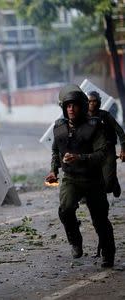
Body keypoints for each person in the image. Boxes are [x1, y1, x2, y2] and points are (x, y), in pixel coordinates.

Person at [45, 84, 115, 268]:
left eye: (75, 105)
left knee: (100, 220)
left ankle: (108, 252)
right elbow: (55, 151)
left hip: (93, 179)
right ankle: (75, 240)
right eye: (67, 105)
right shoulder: (59, 127)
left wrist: (81, 158)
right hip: (71, 178)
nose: (71, 109)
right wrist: (53, 170)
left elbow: (103, 153)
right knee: (65, 209)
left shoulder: (94, 127)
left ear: (82, 107)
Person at [87, 91, 125, 197]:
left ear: (98, 102)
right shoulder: (82, 118)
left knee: (107, 185)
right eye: (89, 101)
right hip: (91, 153)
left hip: (108, 151)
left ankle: (113, 182)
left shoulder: (105, 115)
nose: (92, 103)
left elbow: (120, 132)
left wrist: (123, 149)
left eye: (94, 101)